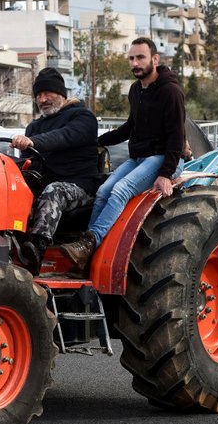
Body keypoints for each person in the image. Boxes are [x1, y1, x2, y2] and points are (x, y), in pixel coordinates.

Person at [61, 37, 185, 270]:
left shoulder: (171, 91)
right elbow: (130, 127)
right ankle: (87, 255)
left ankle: (89, 243)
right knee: (103, 191)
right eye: (131, 58)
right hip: (140, 158)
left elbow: (177, 137)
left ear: (155, 59)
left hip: (165, 158)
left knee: (121, 190)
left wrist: (166, 174)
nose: (135, 63)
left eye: (140, 57)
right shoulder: (136, 90)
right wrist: (96, 142)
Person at [10, 67, 101, 274]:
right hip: (43, 186)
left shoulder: (82, 118)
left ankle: (36, 249)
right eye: (39, 95)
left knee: (54, 190)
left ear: (61, 94)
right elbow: (28, 162)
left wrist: (32, 142)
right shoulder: (34, 126)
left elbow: (64, 136)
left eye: (47, 93)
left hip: (80, 187)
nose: (43, 99)